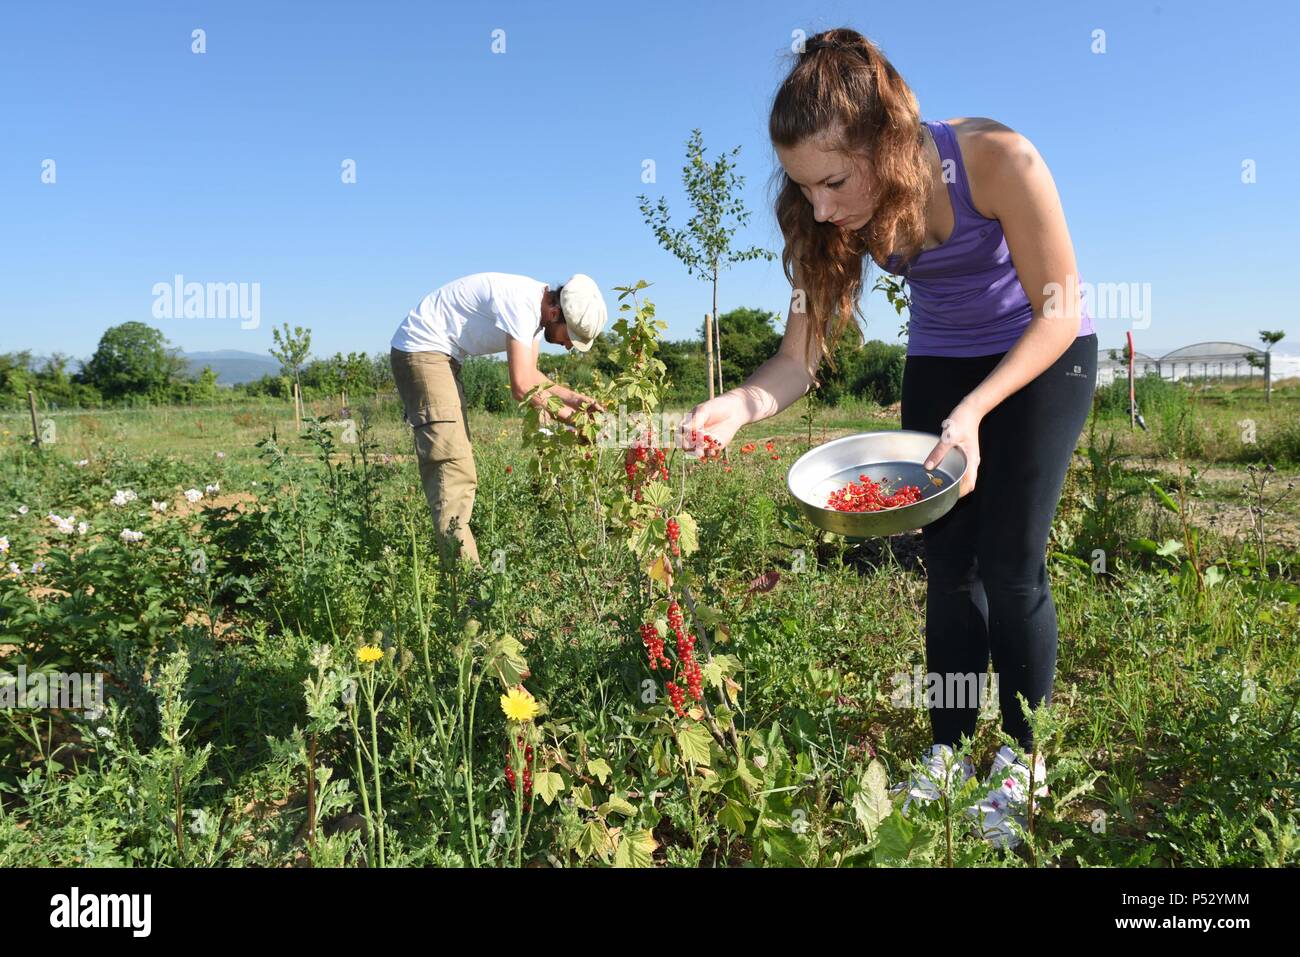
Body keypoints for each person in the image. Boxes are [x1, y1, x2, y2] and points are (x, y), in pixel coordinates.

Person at [680, 28, 1097, 849]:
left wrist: (975, 413)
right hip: (942, 357)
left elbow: (1060, 307)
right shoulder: (829, 214)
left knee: (1011, 562)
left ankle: (1022, 759)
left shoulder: (998, 158)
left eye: (835, 180)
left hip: (1043, 354)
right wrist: (741, 402)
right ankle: (948, 750)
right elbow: (799, 356)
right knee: (948, 564)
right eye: (806, 188)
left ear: (889, 140)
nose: (823, 206)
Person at [390, 272, 608, 566]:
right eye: (571, 337)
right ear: (556, 313)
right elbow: (521, 387)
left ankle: (463, 578)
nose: (570, 346)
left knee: (458, 466)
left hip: (441, 358)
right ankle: (467, 595)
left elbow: (533, 377)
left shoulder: (536, 311)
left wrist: (576, 401)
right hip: (423, 353)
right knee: (452, 471)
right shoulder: (523, 304)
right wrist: (572, 420)